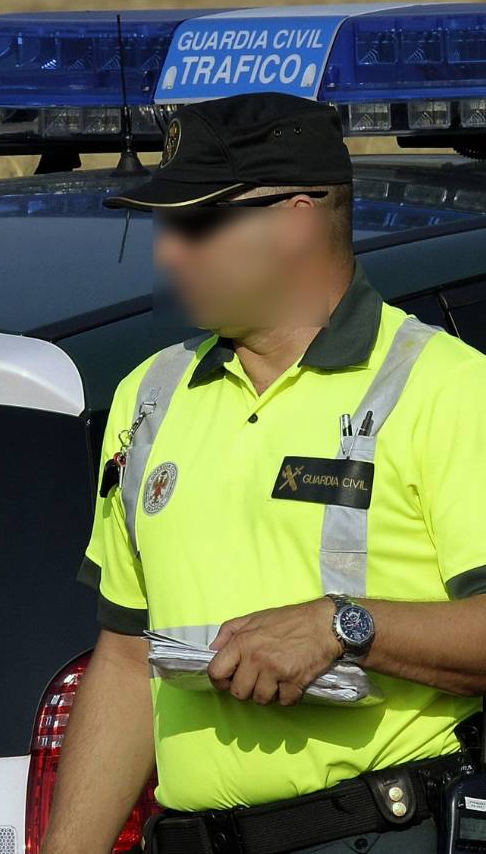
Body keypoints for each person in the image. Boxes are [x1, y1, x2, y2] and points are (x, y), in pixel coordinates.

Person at [43, 92, 486, 854]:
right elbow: (123, 658)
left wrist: (345, 627)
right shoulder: (148, 396)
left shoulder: (449, 389)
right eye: (164, 225)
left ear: (297, 217)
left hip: (381, 833)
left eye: (197, 223)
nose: (168, 253)